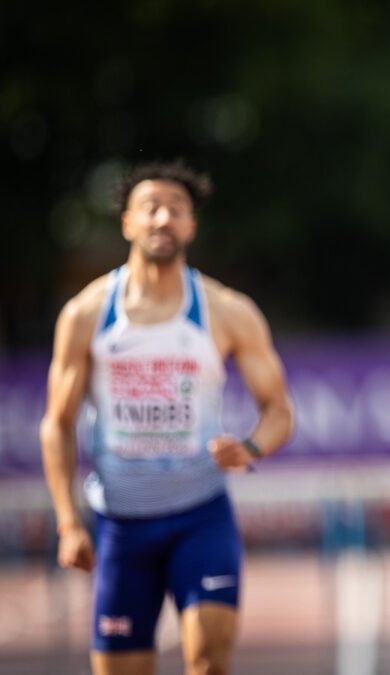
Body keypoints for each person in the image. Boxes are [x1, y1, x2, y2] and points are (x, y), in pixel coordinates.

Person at [39, 160, 294, 675]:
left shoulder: (226, 310)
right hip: (120, 524)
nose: (163, 219)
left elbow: (279, 410)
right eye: (150, 208)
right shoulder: (87, 314)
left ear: (191, 226)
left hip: (200, 514)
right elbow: (57, 423)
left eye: (176, 210)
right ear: (128, 224)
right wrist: (68, 523)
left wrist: (249, 449)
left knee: (208, 658)